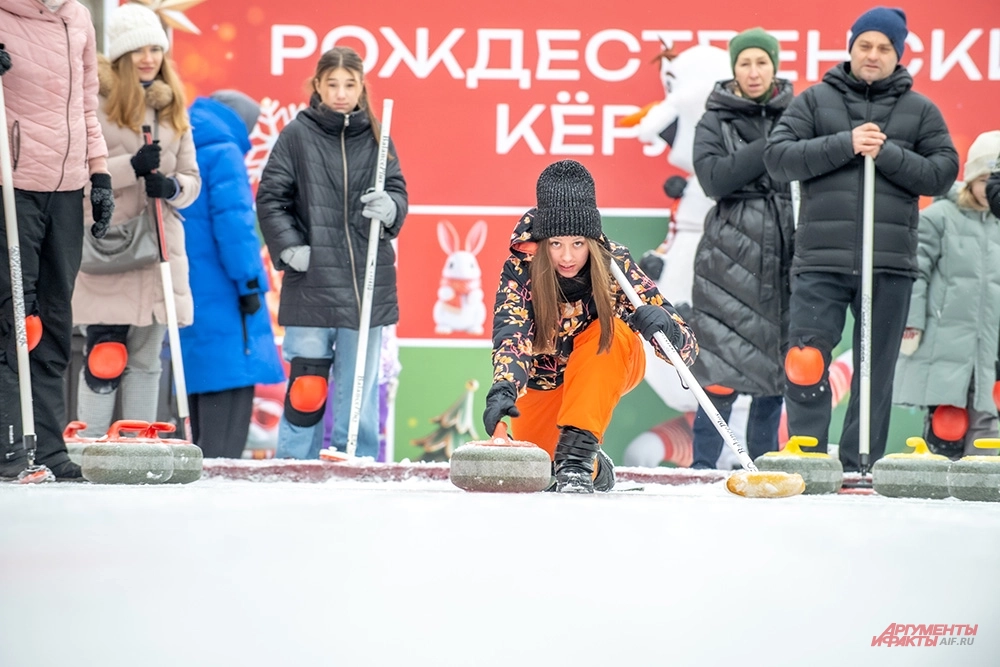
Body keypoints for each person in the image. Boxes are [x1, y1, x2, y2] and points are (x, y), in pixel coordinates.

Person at [763, 7, 959, 472]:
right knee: (805, 360)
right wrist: (845, 143)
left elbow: (942, 172)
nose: (873, 54)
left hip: (889, 263)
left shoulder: (920, 111)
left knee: (875, 371)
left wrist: (886, 152)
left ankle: (860, 461)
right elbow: (778, 158)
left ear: (898, 54)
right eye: (865, 45)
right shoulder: (815, 102)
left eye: (884, 48)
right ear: (851, 48)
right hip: (820, 260)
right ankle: (807, 455)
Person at [483, 160, 698, 493]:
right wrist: (504, 387)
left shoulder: (616, 264)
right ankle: (592, 464)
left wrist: (667, 329)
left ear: (591, 241)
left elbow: (687, 350)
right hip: (545, 383)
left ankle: (577, 456)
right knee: (542, 467)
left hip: (603, 361)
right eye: (556, 244)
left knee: (609, 330)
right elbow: (513, 332)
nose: (567, 257)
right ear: (543, 242)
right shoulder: (521, 269)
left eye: (578, 243)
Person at [256, 46, 407, 460]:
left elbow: (397, 190)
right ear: (318, 86)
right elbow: (270, 198)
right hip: (312, 282)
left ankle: (357, 463)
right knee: (307, 388)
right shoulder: (297, 135)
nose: (341, 93)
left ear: (361, 88)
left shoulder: (377, 136)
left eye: (349, 84)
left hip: (365, 284)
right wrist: (291, 249)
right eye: (332, 84)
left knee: (359, 389)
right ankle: (295, 465)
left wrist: (391, 207)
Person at [72, 2, 201, 437]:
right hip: (112, 245)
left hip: (159, 247)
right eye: (139, 50)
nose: (149, 58)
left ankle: (139, 445)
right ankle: (90, 444)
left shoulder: (172, 109)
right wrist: (131, 167)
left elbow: (192, 179)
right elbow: (79, 175)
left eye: (156, 49)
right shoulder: (96, 105)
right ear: (122, 56)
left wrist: (173, 187)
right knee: (105, 354)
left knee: (147, 357)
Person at [0, 0, 113, 479]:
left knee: (54, 319)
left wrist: (100, 173)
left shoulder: (76, 16)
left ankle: (48, 448)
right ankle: (9, 446)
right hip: (11, 184)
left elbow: (86, 104)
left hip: (65, 189)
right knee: (13, 319)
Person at [687, 28, 794, 469]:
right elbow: (715, 179)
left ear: (774, 66)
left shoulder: (800, 114)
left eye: (761, 62)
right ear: (734, 69)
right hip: (727, 256)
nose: (753, 72)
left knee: (775, 374)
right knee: (718, 369)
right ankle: (702, 466)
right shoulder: (714, 119)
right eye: (745, 63)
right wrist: (773, 146)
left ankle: (764, 466)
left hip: (786, 251)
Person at [179, 90, 284, 458]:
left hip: (191, 282)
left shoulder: (183, 144)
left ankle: (203, 463)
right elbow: (235, 226)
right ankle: (220, 469)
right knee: (232, 374)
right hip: (226, 287)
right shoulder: (225, 152)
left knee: (202, 377)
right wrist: (250, 283)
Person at [893, 131, 1000, 459]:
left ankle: (982, 483)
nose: (990, 189)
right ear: (971, 179)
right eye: (985, 180)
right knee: (947, 421)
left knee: (988, 424)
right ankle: (942, 477)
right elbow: (917, 273)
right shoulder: (940, 217)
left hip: (989, 345)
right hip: (945, 340)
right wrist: (912, 325)